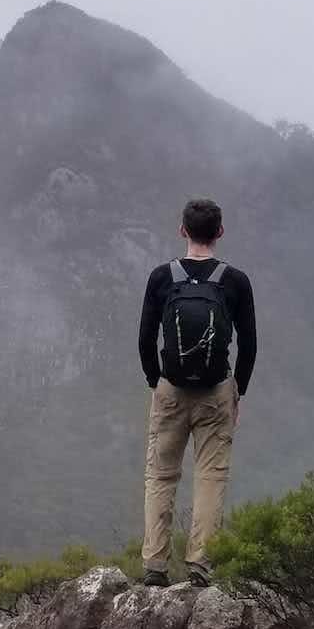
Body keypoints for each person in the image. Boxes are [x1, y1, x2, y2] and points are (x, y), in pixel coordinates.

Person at [137, 197, 257, 587]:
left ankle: (154, 567)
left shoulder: (161, 277)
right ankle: (199, 568)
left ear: (182, 230)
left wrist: (157, 382)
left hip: (169, 390)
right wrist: (237, 390)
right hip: (216, 392)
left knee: (161, 476)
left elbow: (144, 340)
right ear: (220, 232)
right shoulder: (235, 281)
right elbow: (249, 344)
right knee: (210, 477)